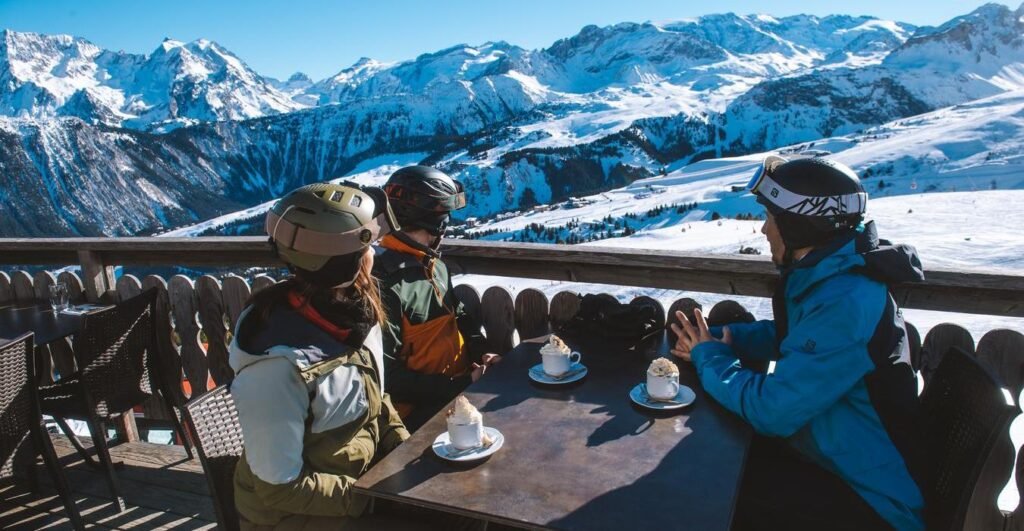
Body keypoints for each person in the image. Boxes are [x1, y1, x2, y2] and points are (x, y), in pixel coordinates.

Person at [670, 156, 926, 531]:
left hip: (870, 501)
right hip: (837, 457)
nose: (763, 230)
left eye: (771, 218)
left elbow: (773, 410)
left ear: (799, 226)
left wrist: (710, 357)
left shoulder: (847, 303)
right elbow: (803, 338)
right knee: (710, 466)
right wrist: (731, 339)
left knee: (702, 491)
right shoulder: (838, 279)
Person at [228, 182, 413, 529]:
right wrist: (369, 498)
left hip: (353, 487)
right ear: (352, 263)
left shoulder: (354, 317)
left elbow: (376, 402)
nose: (375, 252)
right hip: (296, 516)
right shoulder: (276, 368)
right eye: (370, 245)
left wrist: (407, 450)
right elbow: (279, 488)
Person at [375, 165, 499, 431]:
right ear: (435, 222)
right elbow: (388, 378)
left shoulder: (433, 265)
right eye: (445, 215)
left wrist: (481, 352)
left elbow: (460, 316)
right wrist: (464, 384)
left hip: (459, 393)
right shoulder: (385, 283)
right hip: (417, 415)